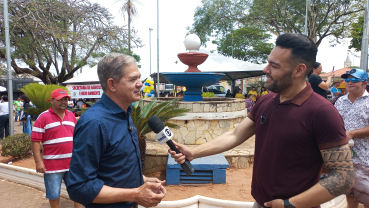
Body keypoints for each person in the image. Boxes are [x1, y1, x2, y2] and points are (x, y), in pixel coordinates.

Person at [169, 33, 353, 208]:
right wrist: (193, 152)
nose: (266, 70)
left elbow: (343, 177)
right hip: (260, 202)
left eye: (274, 66)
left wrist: (290, 204)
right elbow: (234, 135)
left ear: (299, 70)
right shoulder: (266, 101)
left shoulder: (322, 112)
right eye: (268, 63)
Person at [67, 53, 166, 208]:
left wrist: (141, 180)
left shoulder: (125, 114)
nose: (140, 84)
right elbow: (79, 187)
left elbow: (114, 167)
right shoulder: (94, 123)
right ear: (112, 84)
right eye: (133, 79)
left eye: (139, 78)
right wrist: (135, 193)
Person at [31, 89, 81, 208]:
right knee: (53, 194)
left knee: (77, 191)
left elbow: (77, 137)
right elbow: (35, 140)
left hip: (72, 163)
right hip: (52, 165)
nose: (63, 102)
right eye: (60, 100)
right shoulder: (43, 117)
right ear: (52, 100)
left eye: (65, 99)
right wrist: (38, 162)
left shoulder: (71, 116)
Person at [334, 68, 369, 208]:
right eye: (347, 79)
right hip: (344, 157)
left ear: (364, 83)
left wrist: (352, 133)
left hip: (365, 158)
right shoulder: (340, 101)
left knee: (367, 196)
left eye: (354, 80)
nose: (349, 82)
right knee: (349, 194)